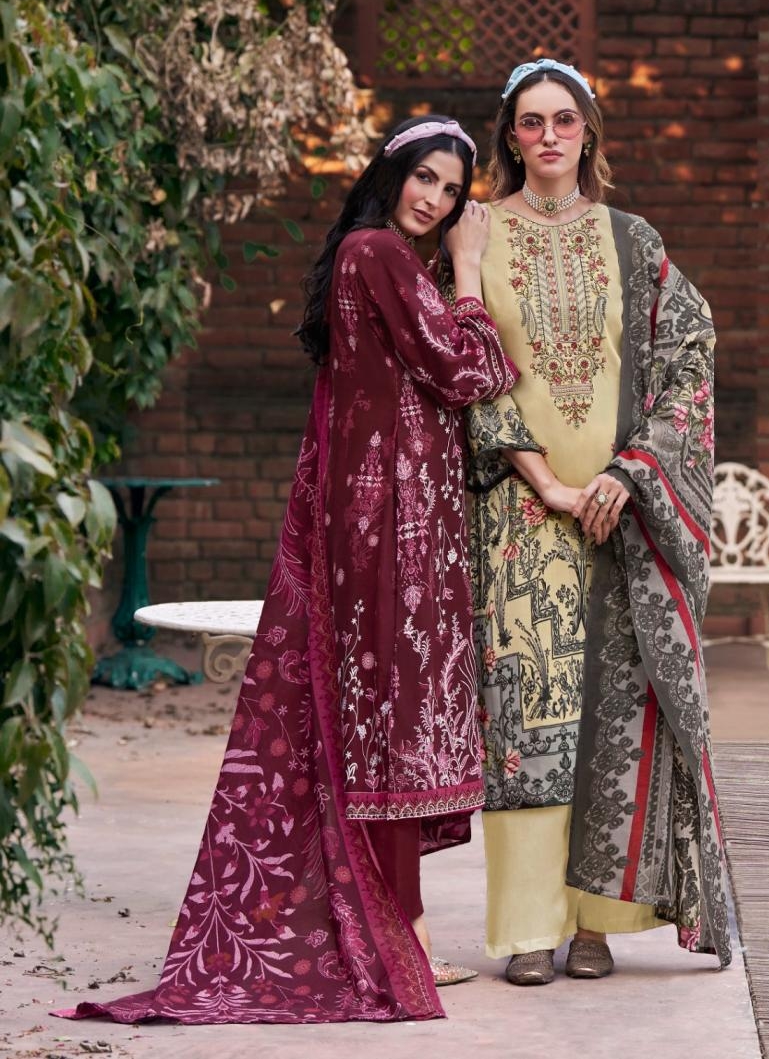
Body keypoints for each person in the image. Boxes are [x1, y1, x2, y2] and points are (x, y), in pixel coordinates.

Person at [60, 115, 517, 1024]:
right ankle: (392, 938)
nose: (436, 200)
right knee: (383, 718)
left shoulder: (377, 259)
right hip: (388, 528)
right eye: (424, 177)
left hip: (392, 522)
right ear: (390, 173)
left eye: (451, 189)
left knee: (380, 721)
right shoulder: (377, 253)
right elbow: (473, 371)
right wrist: (468, 274)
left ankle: (403, 930)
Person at [466, 59, 730, 986]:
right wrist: (544, 482)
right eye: (530, 121)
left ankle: (597, 922)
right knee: (527, 719)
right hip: (518, 514)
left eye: (564, 119)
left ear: (588, 133)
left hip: (620, 517)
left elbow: (689, 355)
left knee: (614, 713)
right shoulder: (476, 232)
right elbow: (466, 366)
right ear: (510, 136)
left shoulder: (632, 239)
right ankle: (528, 928)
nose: (548, 136)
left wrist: (634, 471)